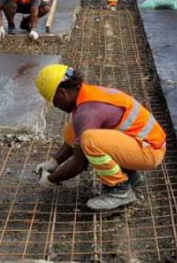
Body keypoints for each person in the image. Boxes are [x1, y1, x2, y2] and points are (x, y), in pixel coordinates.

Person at [33, 64, 166, 211]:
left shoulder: (88, 113)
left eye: (54, 101)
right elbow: (74, 137)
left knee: (90, 141)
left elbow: (79, 164)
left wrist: (50, 180)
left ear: (62, 93)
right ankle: (130, 176)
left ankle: (120, 190)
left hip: (149, 151)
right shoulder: (87, 94)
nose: (56, 106)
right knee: (73, 129)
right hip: (142, 143)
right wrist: (54, 162)